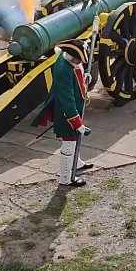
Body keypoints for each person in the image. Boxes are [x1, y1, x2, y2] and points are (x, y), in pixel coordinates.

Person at [31, 39, 93, 187]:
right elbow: (67, 99)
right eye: (78, 59)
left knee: (76, 138)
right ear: (71, 56)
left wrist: (84, 79)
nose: (80, 62)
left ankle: (76, 163)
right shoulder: (63, 70)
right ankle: (66, 178)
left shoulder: (68, 59)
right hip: (66, 112)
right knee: (69, 141)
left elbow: (77, 73)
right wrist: (76, 122)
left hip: (75, 107)